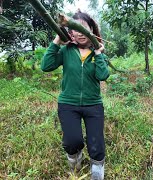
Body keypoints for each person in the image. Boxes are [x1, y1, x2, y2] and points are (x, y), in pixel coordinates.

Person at [41, 11, 109, 180]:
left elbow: (103, 76)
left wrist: (99, 54)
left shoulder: (97, 53)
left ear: (91, 29)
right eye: (74, 29)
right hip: (68, 104)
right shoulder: (66, 51)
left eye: (83, 28)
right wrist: (58, 39)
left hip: (93, 104)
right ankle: (75, 163)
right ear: (71, 32)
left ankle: (97, 173)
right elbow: (46, 65)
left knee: (96, 143)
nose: (79, 33)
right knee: (72, 141)